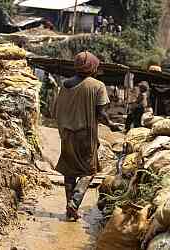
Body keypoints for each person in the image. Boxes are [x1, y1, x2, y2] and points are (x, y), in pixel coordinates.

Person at [48, 51, 121, 221]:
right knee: (90, 171)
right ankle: (74, 201)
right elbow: (102, 113)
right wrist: (112, 125)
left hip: (66, 133)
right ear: (93, 67)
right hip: (85, 135)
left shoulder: (65, 85)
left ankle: (69, 207)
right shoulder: (97, 85)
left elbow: (56, 110)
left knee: (69, 169)